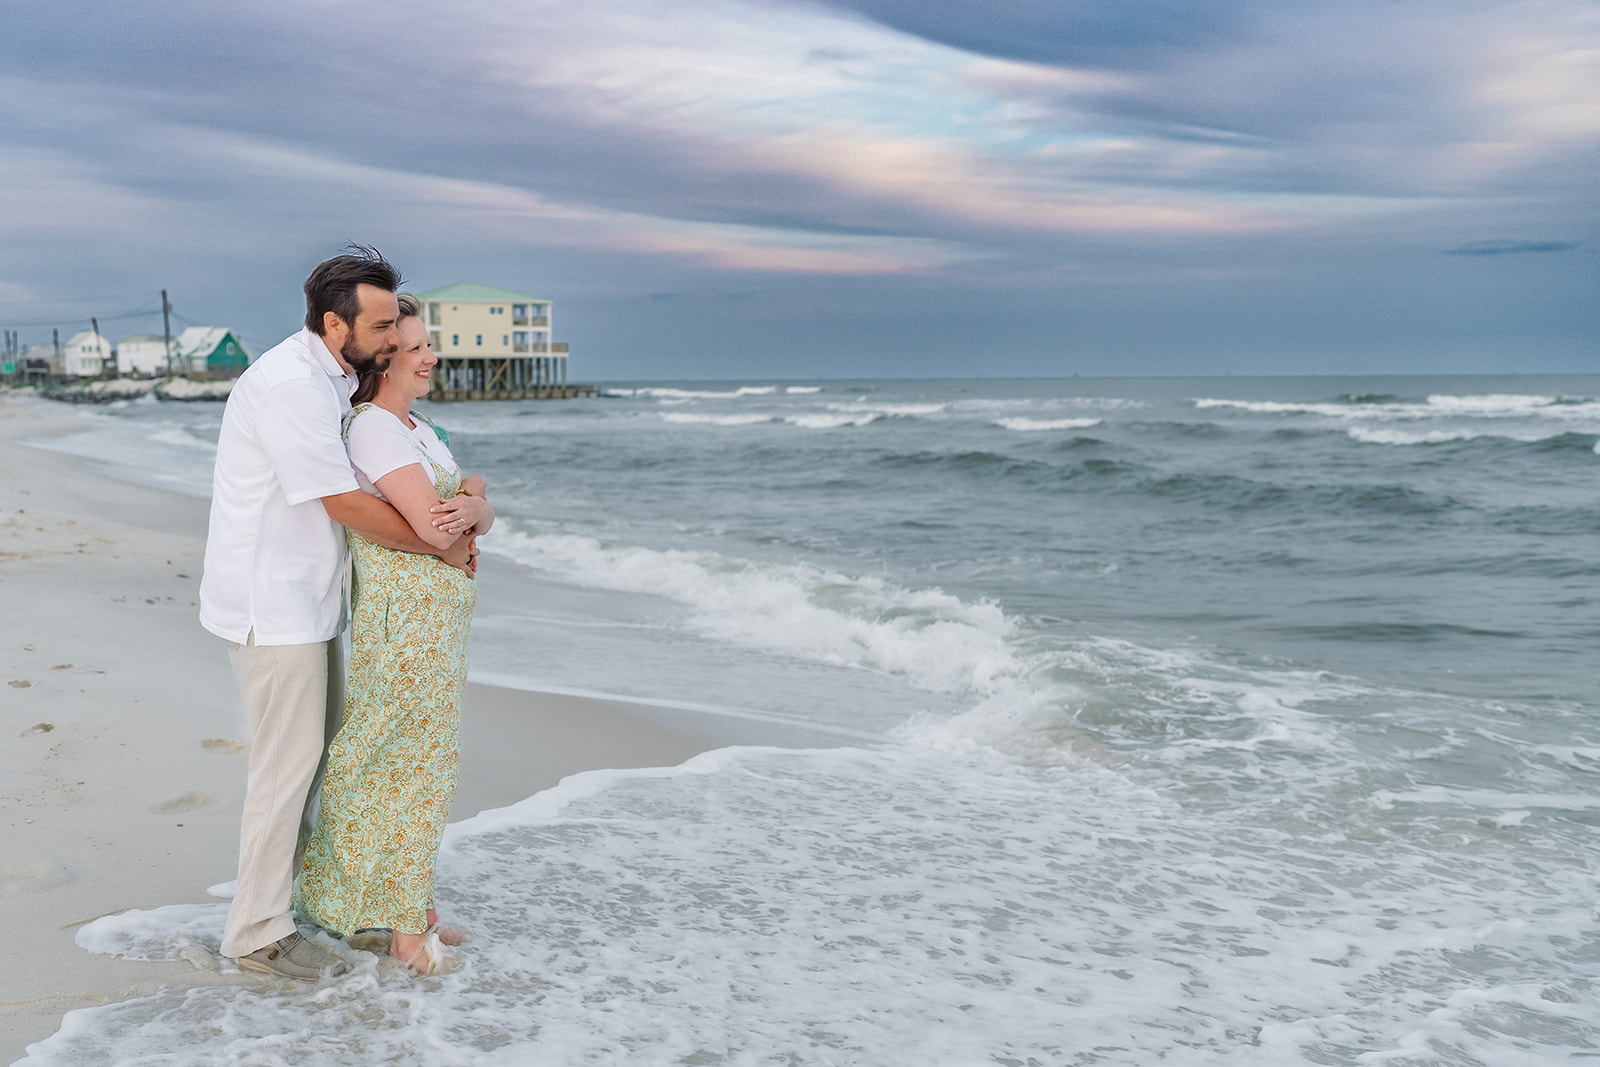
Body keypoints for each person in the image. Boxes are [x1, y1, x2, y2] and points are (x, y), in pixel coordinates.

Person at [199, 250, 476, 981]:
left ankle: (308, 906)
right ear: (334, 322)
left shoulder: (335, 378)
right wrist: (441, 548)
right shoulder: (292, 384)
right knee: (286, 770)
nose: (393, 337)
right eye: (382, 324)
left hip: (310, 602)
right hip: (273, 604)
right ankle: (255, 933)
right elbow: (345, 502)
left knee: (316, 764)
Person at [294, 292, 494, 974]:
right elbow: (439, 527)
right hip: (405, 626)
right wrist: (471, 509)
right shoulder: (375, 428)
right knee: (404, 765)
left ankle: (402, 905)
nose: (431, 355)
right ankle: (399, 924)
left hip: (435, 625)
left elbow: (469, 504)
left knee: (417, 763)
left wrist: (476, 504)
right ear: (387, 362)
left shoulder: (417, 428)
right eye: (417, 347)